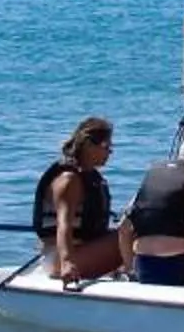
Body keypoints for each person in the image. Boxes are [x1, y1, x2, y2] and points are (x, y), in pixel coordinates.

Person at [32, 116, 124, 284]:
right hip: (61, 258)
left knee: (128, 229)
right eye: (106, 147)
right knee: (131, 234)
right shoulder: (69, 180)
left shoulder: (90, 177)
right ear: (88, 145)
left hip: (80, 250)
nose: (110, 153)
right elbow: (64, 224)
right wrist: (67, 262)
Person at [124, 128, 184, 286]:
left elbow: (124, 228)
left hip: (143, 266)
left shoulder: (154, 173)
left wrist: (130, 269)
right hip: (179, 266)